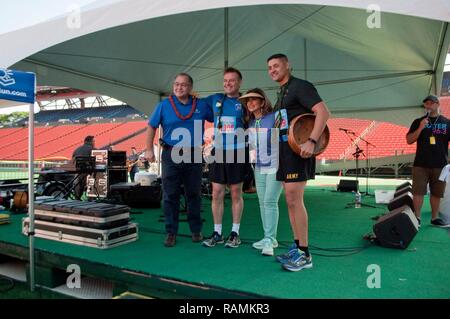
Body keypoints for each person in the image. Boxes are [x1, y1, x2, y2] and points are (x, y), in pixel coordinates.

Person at [267, 54, 330, 271]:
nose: (272, 70)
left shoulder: (300, 86)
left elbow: (323, 111)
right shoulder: (282, 92)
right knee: (290, 200)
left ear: (288, 65)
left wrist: (312, 141)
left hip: (299, 152)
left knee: (295, 199)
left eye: (276, 65)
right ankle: (297, 247)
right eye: (269, 68)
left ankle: (305, 254)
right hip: (285, 151)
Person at [145, 73, 214, 247]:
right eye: (176, 84)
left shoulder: (201, 105)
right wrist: (148, 149)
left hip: (193, 155)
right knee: (170, 195)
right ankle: (171, 232)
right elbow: (151, 126)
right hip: (171, 154)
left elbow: (218, 115)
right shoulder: (164, 105)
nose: (179, 87)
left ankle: (196, 230)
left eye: (183, 85)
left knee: (194, 194)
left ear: (190, 87)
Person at [202, 67, 248, 248]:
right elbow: (194, 104)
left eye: (232, 80)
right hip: (219, 151)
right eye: (225, 80)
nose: (228, 83)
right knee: (216, 193)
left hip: (238, 151)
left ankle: (235, 233)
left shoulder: (245, 102)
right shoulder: (214, 99)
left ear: (239, 83)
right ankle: (217, 233)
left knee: (236, 192)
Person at [239, 88, 282, 256]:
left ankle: (271, 240)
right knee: (263, 203)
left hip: (276, 165)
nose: (250, 103)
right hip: (259, 166)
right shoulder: (250, 123)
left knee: (270, 201)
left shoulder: (274, 117)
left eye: (254, 99)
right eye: (247, 101)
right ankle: (267, 237)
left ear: (263, 102)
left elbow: (283, 139)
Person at [406, 95, 450, 227]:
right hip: (421, 163)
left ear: (438, 104)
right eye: (426, 103)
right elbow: (409, 140)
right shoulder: (418, 121)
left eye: (431, 103)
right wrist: (420, 128)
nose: (429, 106)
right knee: (418, 191)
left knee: (437, 192)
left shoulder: (447, 122)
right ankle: (417, 217)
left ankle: (435, 218)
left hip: (440, 164)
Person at [71, 135, 95, 200]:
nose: (94, 143)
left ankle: (77, 199)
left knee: (78, 182)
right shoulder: (93, 150)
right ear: (91, 142)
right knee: (95, 177)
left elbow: (72, 162)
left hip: (77, 175)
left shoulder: (76, 150)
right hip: (88, 175)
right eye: (94, 141)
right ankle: (91, 199)